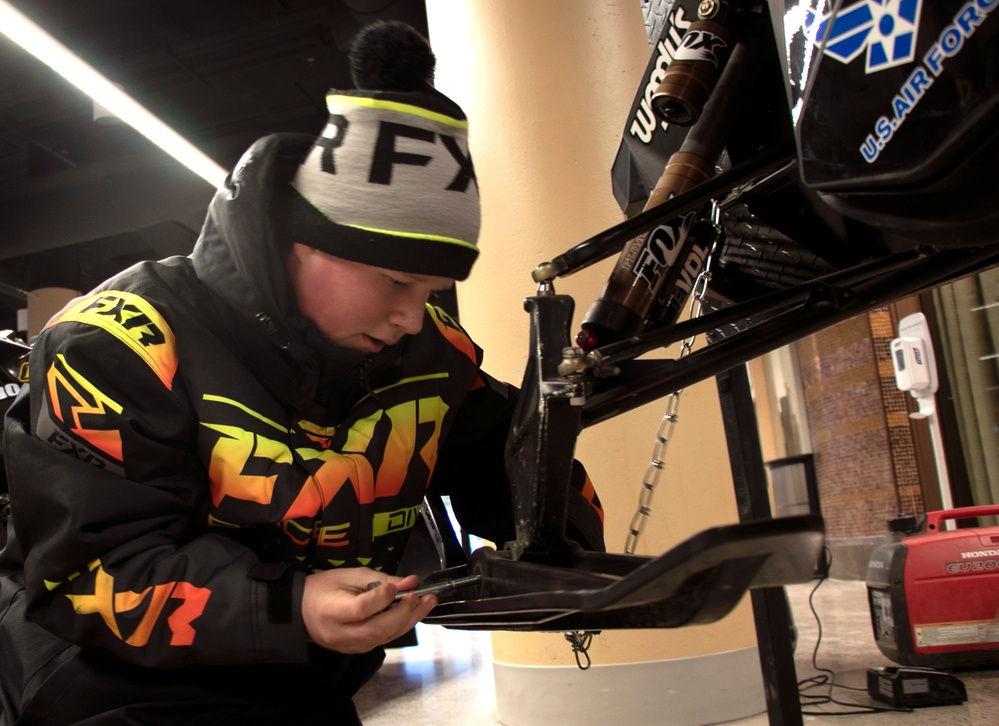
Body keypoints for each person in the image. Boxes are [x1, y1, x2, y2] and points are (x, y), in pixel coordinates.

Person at [0, 21, 604, 725]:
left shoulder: (425, 349)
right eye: (393, 283)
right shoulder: (115, 346)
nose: (414, 317)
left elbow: (504, 452)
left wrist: (560, 542)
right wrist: (293, 606)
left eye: (431, 292)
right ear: (302, 244)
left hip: (300, 679)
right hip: (105, 692)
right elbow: (91, 574)